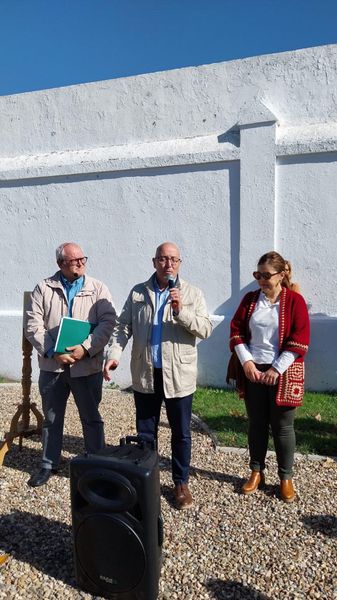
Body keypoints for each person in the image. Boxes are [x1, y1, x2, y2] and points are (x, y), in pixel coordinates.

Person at [104, 242, 212, 509]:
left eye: (173, 259)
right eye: (163, 259)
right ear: (154, 262)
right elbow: (122, 328)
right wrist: (113, 356)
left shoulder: (192, 293)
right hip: (146, 372)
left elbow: (205, 329)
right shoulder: (139, 292)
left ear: (180, 263)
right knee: (146, 431)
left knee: (181, 432)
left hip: (179, 374)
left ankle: (180, 482)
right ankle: (147, 480)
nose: (168, 264)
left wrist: (180, 311)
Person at [25, 242, 116, 487]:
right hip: (53, 366)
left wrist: (85, 348)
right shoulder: (43, 288)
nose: (79, 264)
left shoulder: (98, 288)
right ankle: (48, 464)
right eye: (73, 261)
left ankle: (97, 463)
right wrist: (54, 351)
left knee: (91, 417)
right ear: (60, 264)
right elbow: (33, 325)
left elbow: (108, 322)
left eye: (82, 259)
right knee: (52, 419)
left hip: (86, 365)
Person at [228, 251, 310, 502]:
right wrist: (248, 363)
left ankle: (285, 477)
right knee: (257, 424)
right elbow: (236, 332)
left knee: (283, 427)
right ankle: (256, 471)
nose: (262, 280)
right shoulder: (250, 300)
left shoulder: (294, 301)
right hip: (253, 370)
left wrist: (276, 369)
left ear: (281, 274)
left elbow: (300, 340)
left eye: (266, 275)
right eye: (258, 275)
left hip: (283, 371)